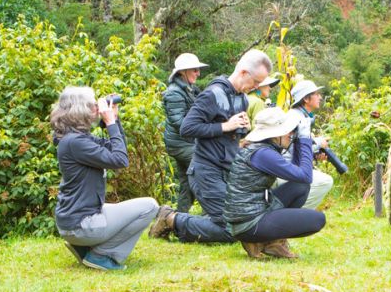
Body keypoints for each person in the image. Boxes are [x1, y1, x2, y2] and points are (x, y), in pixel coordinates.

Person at [149, 49, 272, 243]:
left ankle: (185, 220)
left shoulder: (242, 98)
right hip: (206, 171)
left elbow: (230, 136)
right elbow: (187, 128)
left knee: (241, 222)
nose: (257, 86)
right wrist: (225, 126)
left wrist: (242, 130)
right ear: (243, 73)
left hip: (227, 170)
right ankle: (172, 219)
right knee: (232, 229)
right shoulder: (213, 94)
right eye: (255, 82)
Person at [51, 86, 160, 271]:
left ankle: (84, 246)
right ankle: (102, 255)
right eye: (93, 104)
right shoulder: (76, 143)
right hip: (80, 224)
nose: (97, 106)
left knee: (121, 209)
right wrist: (109, 124)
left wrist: (114, 121)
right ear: (81, 110)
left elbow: (116, 148)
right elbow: (120, 160)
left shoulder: (75, 139)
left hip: (74, 220)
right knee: (150, 206)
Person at [223, 107, 326, 258]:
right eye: (288, 131)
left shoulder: (262, 149)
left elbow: (299, 177)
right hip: (248, 223)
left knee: (300, 187)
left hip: (248, 213)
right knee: (318, 219)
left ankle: (270, 242)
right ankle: (260, 240)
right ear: (275, 134)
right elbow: (306, 175)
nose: (290, 133)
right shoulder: (264, 154)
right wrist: (304, 139)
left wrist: (298, 142)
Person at [277, 80, 334, 209]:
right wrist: (319, 144)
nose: (320, 97)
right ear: (306, 99)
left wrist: (314, 154)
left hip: (291, 167)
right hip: (285, 170)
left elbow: (299, 148)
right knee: (325, 181)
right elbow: (290, 148)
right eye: (316, 94)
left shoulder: (301, 115)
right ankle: (295, 216)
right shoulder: (295, 117)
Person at [163, 53, 207, 213]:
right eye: (195, 70)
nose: (198, 73)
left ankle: (177, 220)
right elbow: (179, 123)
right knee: (205, 171)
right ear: (183, 72)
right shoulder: (174, 92)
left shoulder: (189, 89)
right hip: (181, 145)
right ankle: (210, 217)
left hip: (184, 143)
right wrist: (203, 130)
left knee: (187, 184)